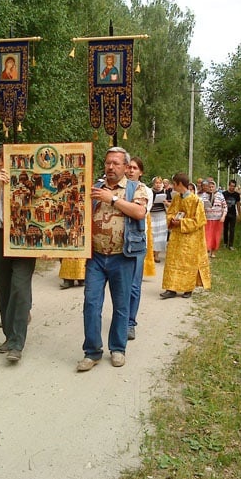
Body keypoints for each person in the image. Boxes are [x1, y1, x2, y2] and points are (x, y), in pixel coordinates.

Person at [77, 147, 148, 372]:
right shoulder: (95, 187)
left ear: (126, 167)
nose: (110, 167)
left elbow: (139, 212)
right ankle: (92, 351)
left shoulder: (136, 188)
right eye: (108, 163)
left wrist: (113, 198)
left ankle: (118, 348)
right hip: (96, 257)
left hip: (123, 256)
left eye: (116, 163)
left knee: (121, 305)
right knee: (91, 303)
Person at [0, 146, 36, 362]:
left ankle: (16, 343)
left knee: (20, 289)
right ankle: (9, 335)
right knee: (4, 290)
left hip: (23, 238)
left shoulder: (27, 179)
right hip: (0, 236)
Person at [160, 172, 211, 299]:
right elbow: (170, 212)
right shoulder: (176, 198)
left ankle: (188, 289)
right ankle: (171, 288)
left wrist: (182, 222)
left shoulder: (196, 200)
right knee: (172, 261)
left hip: (190, 238)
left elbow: (199, 221)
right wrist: (172, 219)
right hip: (176, 236)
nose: (173, 186)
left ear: (180, 184)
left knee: (188, 263)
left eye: (174, 184)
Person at [126, 155, 153, 341]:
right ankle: (121, 318)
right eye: (128, 167)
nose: (130, 170)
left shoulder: (145, 191)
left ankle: (130, 323)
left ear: (141, 172)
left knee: (134, 285)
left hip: (136, 241)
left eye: (134, 168)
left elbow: (138, 212)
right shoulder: (117, 188)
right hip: (119, 242)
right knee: (121, 285)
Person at [201, 180, 227, 258]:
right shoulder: (204, 195)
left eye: (212, 187)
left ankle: (213, 252)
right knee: (207, 235)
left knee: (216, 236)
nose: (211, 188)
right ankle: (206, 250)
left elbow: (225, 207)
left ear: (215, 187)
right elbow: (200, 206)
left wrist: (223, 216)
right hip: (207, 219)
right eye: (209, 187)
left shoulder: (220, 195)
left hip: (218, 219)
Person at [150, 176, 168, 263]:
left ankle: (157, 254)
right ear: (153, 183)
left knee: (160, 236)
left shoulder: (165, 192)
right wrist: (150, 204)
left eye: (160, 183)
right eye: (156, 183)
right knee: (152, 235)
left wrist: (166, 203)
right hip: (151, 215)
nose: (158, 184)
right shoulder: (149, 191)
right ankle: (151, 253)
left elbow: (170, 203)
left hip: (161, 215)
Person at [223, 179, 241, 250]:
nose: (232, 187)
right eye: (231, 186)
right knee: (225, 229)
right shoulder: (224, 194)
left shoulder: (237, 195)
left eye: (233, 186)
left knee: (232, 230)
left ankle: (231, 245)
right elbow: (221, 204)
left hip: (233, 214)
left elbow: (238, 205)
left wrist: (239, 215)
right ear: (229, 186)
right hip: (225, 214)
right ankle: (225, 243)